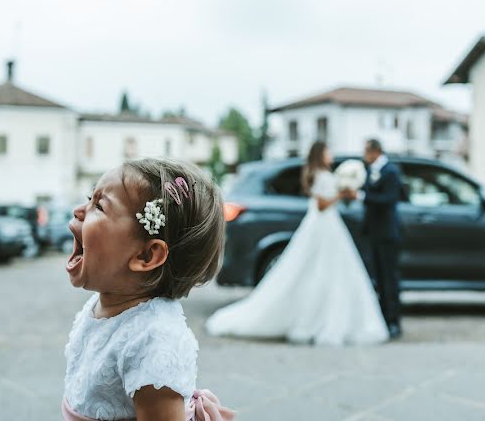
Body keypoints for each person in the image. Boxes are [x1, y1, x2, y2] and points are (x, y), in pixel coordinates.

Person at [62, 159, 234, 421]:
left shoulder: (154, 340)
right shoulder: (105, 305)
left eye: (99, 206)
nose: (78, 211)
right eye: (89, 198)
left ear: (146, 255)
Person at [205, 141, 388, 346]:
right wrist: (341, 194)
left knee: (323, 271)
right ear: (320, 154)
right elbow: (320, 205)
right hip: (323, 224)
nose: (331, 156)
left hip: (328, 225)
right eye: (328, 152)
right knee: (321, 270)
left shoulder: (321, 174)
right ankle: (319, 319)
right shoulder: (320, 175)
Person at [361, 139, 404, 339]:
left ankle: (394, 320)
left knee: (389, 278)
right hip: (373, 232)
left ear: (375, 151)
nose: (364, 155)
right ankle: (382, 318)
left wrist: (362, 197)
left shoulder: (391, 172)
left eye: (366, 151)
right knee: (377, 277)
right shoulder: (369, 171)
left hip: (387, 232)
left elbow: (389, 199)